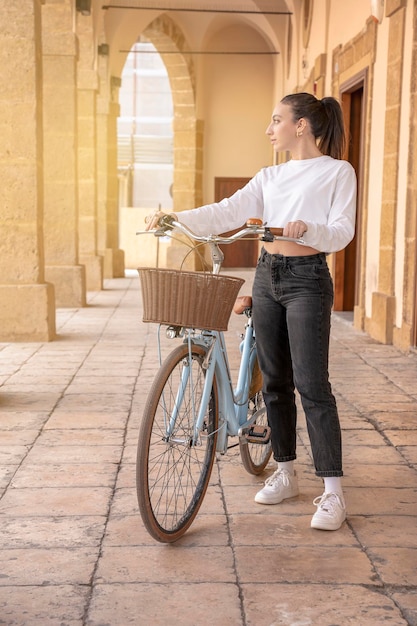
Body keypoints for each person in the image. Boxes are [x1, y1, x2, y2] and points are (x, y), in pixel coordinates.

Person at [146, 92, 357, 531]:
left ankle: (333, 493)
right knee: (275, 382)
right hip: (267, 276)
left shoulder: (338, 172)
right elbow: (227, 211)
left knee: (312, 384)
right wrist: (174, 217)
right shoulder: (270, 176)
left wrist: (308, 227)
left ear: (301, 125)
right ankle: (285, 472)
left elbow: (341, 232)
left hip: (306, 279)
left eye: (276, 119)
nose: (269, 128)